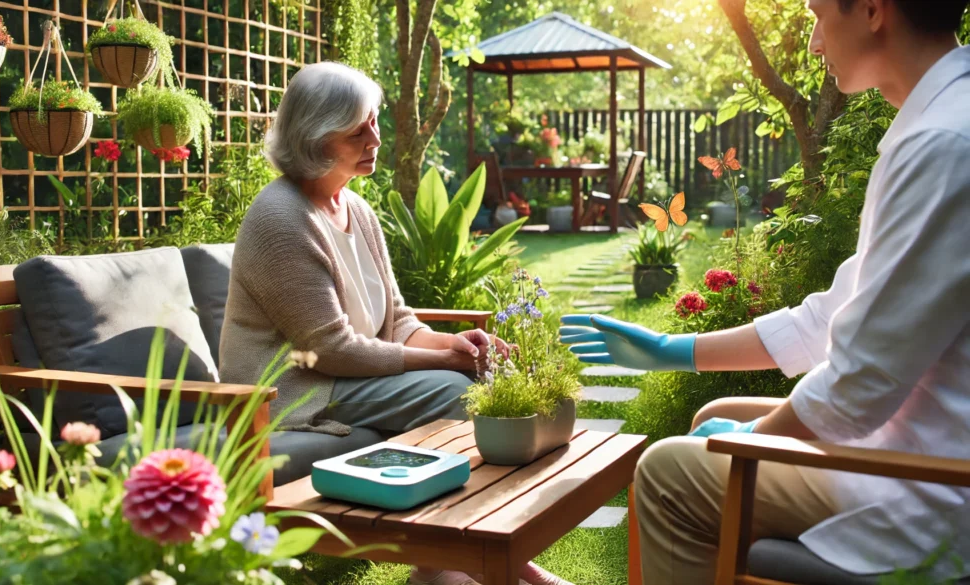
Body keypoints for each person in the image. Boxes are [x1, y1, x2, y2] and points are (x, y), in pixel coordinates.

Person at [560, 0, 970, 583]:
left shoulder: (944, 143)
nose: (814, 45)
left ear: (874, 10)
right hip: (914, 445)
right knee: (716, 414)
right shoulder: (940, 121)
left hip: (930, 487)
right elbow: (832, 317)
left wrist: (754, 438)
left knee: (668, 473)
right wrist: (669, 349)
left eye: (818, 16)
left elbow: (861, 386)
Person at [220, 62, 568, 585]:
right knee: (456, 391)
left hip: (345, 376)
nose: (376, 137)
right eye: (357, 128)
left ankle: (438, 568)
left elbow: (398, 321)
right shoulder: (280, 220)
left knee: (479, 380)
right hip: (297, 388)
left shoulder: (356, 208)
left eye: (375, 121)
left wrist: (457, 340)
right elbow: (332, 349)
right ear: (315, 137)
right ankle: (483, 566)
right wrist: (452, 359)